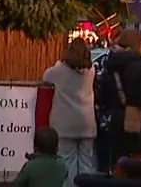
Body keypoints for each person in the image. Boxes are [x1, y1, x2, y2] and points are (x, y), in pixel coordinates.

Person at [42, 38, 97, 182]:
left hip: (65, 124)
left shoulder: (59, 70)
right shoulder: (91, 71)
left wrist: (59, 63)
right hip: (87, 123)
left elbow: (46, 75)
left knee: (67, 163)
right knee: (87, 163)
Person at [99, 27, 141, 164]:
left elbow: (103, 93)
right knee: (137, 160)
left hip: (115, 118)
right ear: (137, 44)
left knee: (118, 160)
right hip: (135, 119)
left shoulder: (110, 64)